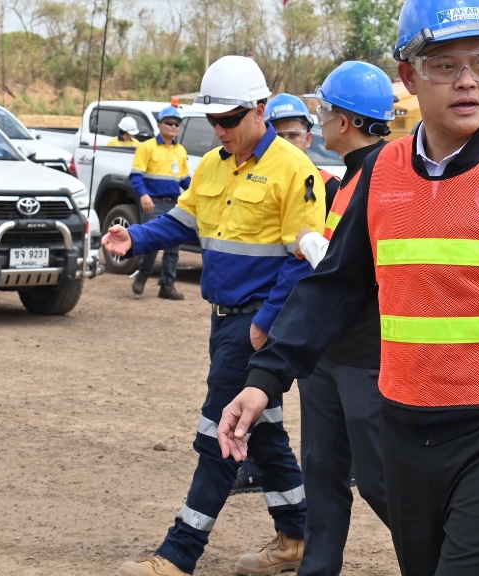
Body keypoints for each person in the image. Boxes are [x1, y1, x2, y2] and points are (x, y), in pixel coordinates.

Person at [217, 0, 479, 576]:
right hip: (404, 432)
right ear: (408, 77)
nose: (469, 80)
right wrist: (265, 378)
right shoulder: (382, 172)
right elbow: (336, 285)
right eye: (446, 65)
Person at [105, 55, 322, 576]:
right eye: (215, 121)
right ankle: (298, 535)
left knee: (219, 434)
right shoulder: (210, 166)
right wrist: (133, 237)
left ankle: (178, 555)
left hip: (255, 328)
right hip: (223, 320)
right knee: (262, 431)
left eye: (229, 119)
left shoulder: (296, 171)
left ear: (261, 110)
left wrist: (265, 321)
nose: (221, 130)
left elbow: (304, 259)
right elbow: (181, 223)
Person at [286, 60, 396, 576]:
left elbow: (355, 268)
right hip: (331, 354)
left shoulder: (383, 176)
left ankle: (446, 561)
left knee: (378, 479)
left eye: (324, 110)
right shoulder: (351, 176)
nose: (319, 120)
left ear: (346, 121)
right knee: (323, 473)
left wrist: (311, 246)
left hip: (365, 355)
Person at [129, 106, 191, 300]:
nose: (173, 126)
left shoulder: (180, 150)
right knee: (151, 242)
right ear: (159, 125)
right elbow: (136, 175)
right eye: (169, 123)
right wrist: (143, 195)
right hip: (152, 202)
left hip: (173, 203)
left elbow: (185, 180)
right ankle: (143, 274)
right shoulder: (146, 147)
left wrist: (197, 194)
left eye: (177, 124)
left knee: (174, 245)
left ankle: (167, 285)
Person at [266, 94, 341, 213]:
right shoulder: (253, 182)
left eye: (293, 135)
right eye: (278, 137)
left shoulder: (331, 187)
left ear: (308, 139)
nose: (286, 144)